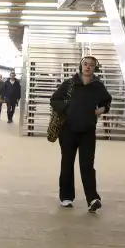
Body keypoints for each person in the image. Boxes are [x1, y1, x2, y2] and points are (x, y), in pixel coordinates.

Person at [50, 55, 113, 212]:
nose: (88, 67)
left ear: (94, 68)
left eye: (91, 65)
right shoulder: (69, 84)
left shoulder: (98, 86)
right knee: (67, 163)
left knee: (87, 165)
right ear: (81, 66)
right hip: (68, 130)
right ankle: (66, 197)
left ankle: (92, 199)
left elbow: (107, 101)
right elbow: (54, 99)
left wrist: (101, 110)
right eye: (85, 64)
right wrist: (67, 109)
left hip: (88, 131)